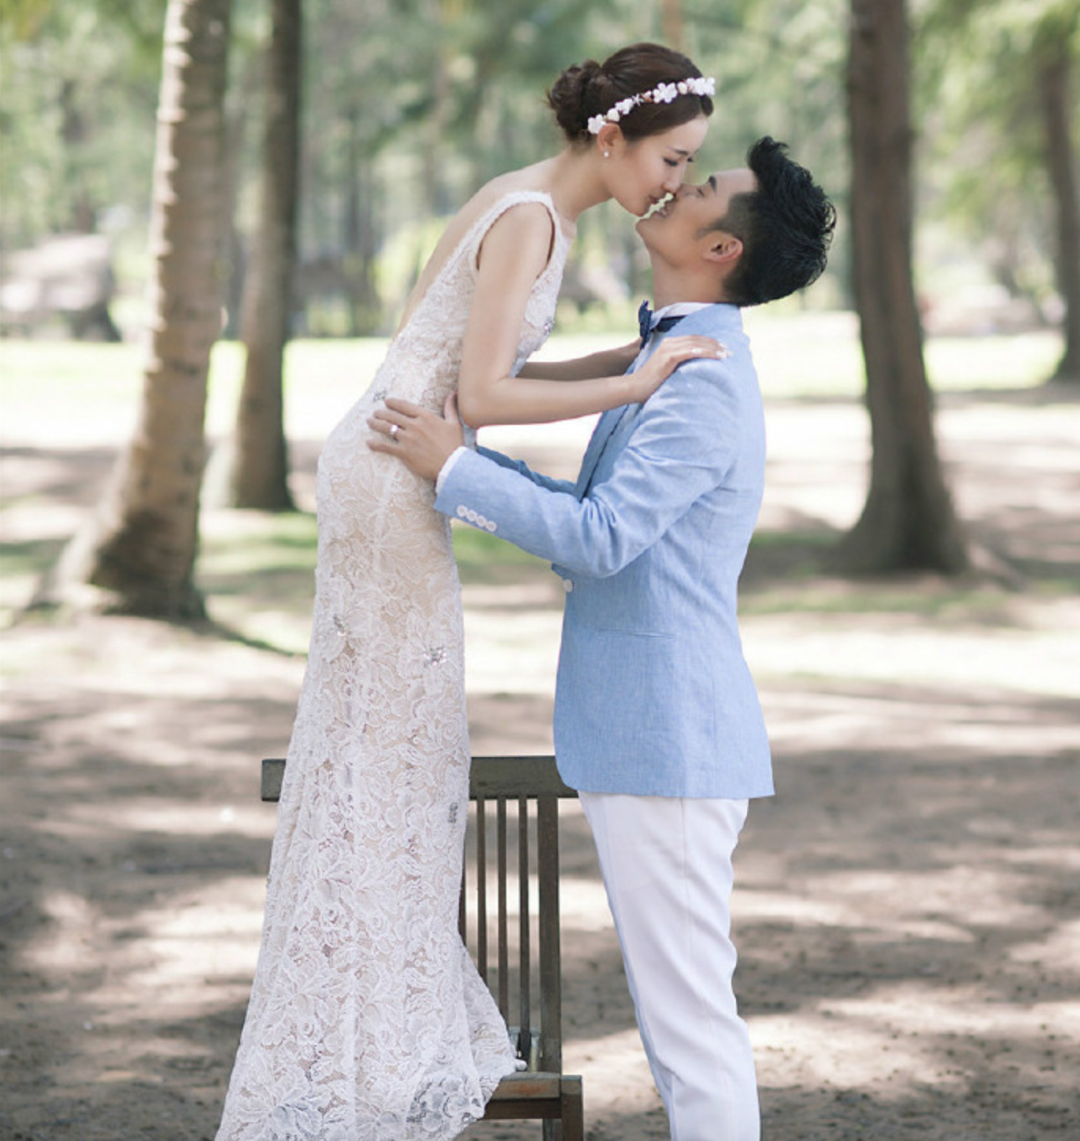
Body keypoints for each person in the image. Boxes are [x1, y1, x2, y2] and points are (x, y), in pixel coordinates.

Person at [216, 43, 726, 1141]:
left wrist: (619, 359)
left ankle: (368, 1006)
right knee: (393, 743)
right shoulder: (534, 220)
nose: (675, 184)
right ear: (612, 138)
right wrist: (634, 383)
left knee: (386, 737)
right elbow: (482, 397)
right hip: (401, 468)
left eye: (690, 166)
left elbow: (472, 365)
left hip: (388, 456)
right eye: (672, 159)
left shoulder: (528, 197)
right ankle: (363, 1029)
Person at [368, 137, 837, 1141]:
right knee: (681, 1021)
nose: (671, 187)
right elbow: (594, 517)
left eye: (699, 186)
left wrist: (458, 471)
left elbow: (602, 539)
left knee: (690, 1027)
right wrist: (460, 461)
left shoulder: (701, 380)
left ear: (719, 248)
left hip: (672, 746)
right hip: (650, 744)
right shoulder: (668, 356)